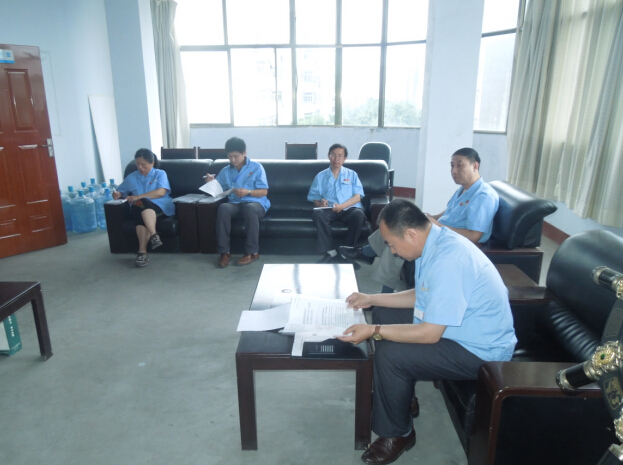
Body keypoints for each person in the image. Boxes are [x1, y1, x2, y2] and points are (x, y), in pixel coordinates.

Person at [337, 199, 516, 465]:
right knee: (384, 314)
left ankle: (397, 434)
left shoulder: (449, 260)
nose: (392, 252)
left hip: (480, 351)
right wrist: (372, 298)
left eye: (392, 244)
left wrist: (373, 330)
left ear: (411, 234)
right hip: (457, 329)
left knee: (391, 355)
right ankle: (401, 397)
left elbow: (430, 334)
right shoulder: (433, 241)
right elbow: (422, 295)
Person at [339, 147, 499, 291]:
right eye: (452, 165)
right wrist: (432, 217)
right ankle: (367, 252)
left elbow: (474, 236)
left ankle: (382, 285)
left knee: (401, 235)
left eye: (460, 165)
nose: (454, 170)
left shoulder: (483, 196)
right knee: (398, 220)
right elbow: (450, 212)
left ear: (475, 166)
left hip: (450, 240)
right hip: (440, 230)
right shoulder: (464, 190)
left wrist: (439, 225)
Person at [204, 137, 270, 268]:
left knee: (250, 208)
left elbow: (264, 191)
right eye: (229, 156)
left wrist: (248, 192)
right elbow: (218, 189)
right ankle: (224, 252)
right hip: (235, 203)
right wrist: (211, 182)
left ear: (244, 153)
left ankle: (252, 252)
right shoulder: (225, 171)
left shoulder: (256, 167)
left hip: (255, 203)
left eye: (236, 156)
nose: (233, 160)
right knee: (223, 208)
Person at [112, 148, 175, 267]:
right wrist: (117, 194)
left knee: (141, 203)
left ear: (152, 163)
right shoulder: (131, 177)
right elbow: (121, 191)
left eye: (143, 164)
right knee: (139, 207)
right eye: (137, 164)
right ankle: (153, 236)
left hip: (159, 206)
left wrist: (138, 197)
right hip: (139, 208)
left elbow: (161, 192)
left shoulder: (160, 174)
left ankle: (142, 252)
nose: (140, 167)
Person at [307, 143, 367, 264]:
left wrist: (342, 206)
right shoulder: (320, 176)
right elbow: (314, 199)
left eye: (340, 156)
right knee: (318, 215)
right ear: (328, 156)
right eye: (333, 155)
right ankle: (330, 252)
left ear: (345, 158)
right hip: (329, 209)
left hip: (349, 208)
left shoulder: (352, 175)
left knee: (359, 215)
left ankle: (347, 252)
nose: (336, 158)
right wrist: (321, 204)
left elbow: (357, 197)